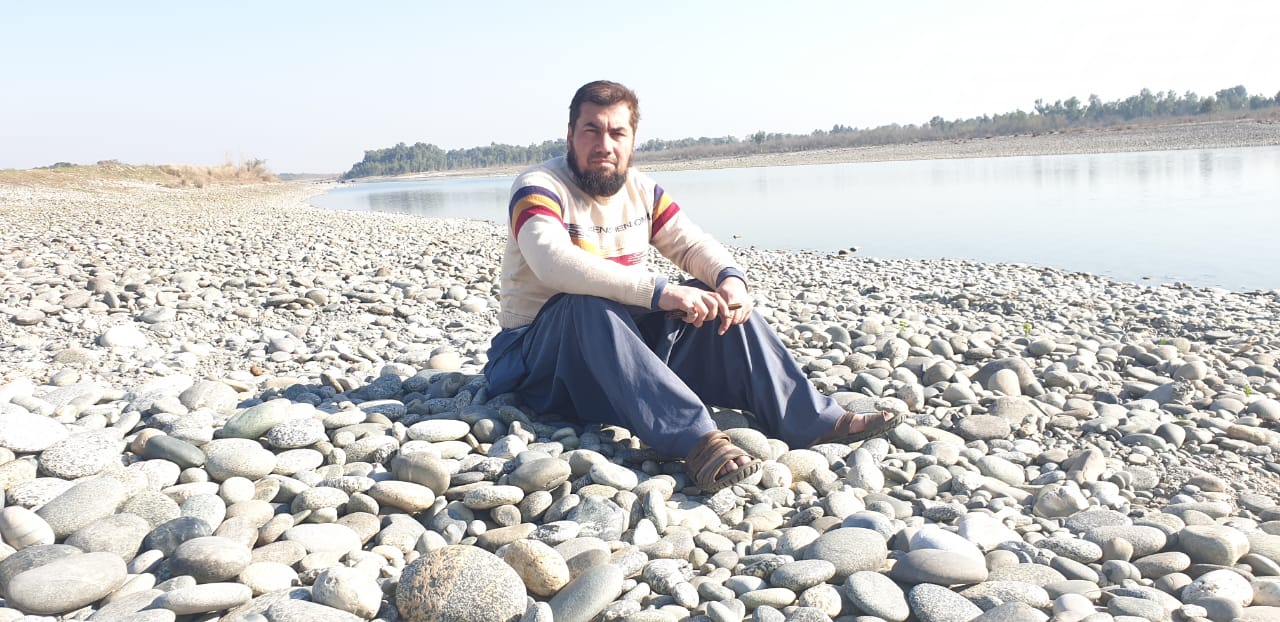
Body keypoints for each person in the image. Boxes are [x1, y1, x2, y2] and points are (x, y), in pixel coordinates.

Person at [483, 80, 901, 492]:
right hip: (537, 364)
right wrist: (660, 292)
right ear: (570, 136)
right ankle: (696, 442)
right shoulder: (539, 186)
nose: (604, 145)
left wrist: (730, 280)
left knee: (712, 298)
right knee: (586, 304)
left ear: (632, 140)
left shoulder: (641, 191)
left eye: (617, 133)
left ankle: (810, 419)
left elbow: (690, 243)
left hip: (616, 356)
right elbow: (553, 262)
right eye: (591, 130)